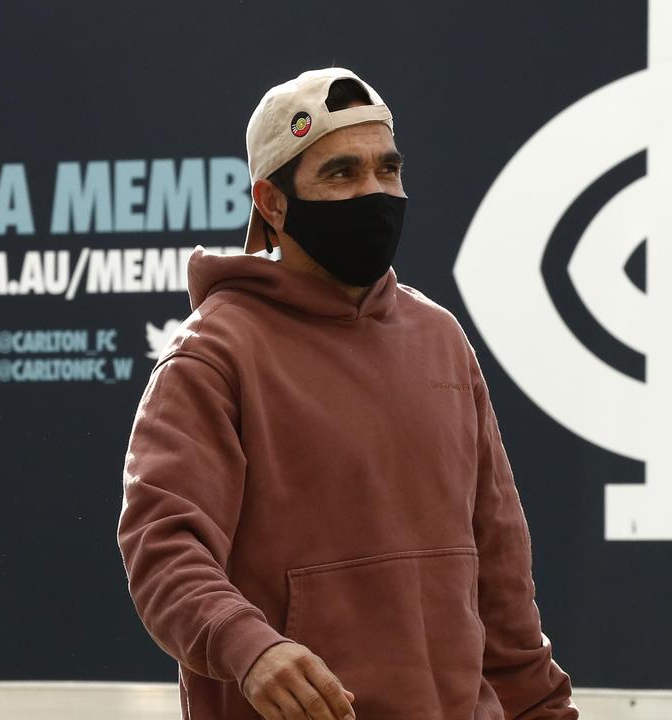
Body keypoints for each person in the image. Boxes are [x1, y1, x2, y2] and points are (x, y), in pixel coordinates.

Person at [117, 67, 579, 720]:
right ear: (273, 204)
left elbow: (501, 576)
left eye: (386, 171)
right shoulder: (214, 354)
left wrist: (543, 710)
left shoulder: (439, 338)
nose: (376, 193)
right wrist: (250, 649)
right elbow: (163, 548)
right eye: (341, 174)